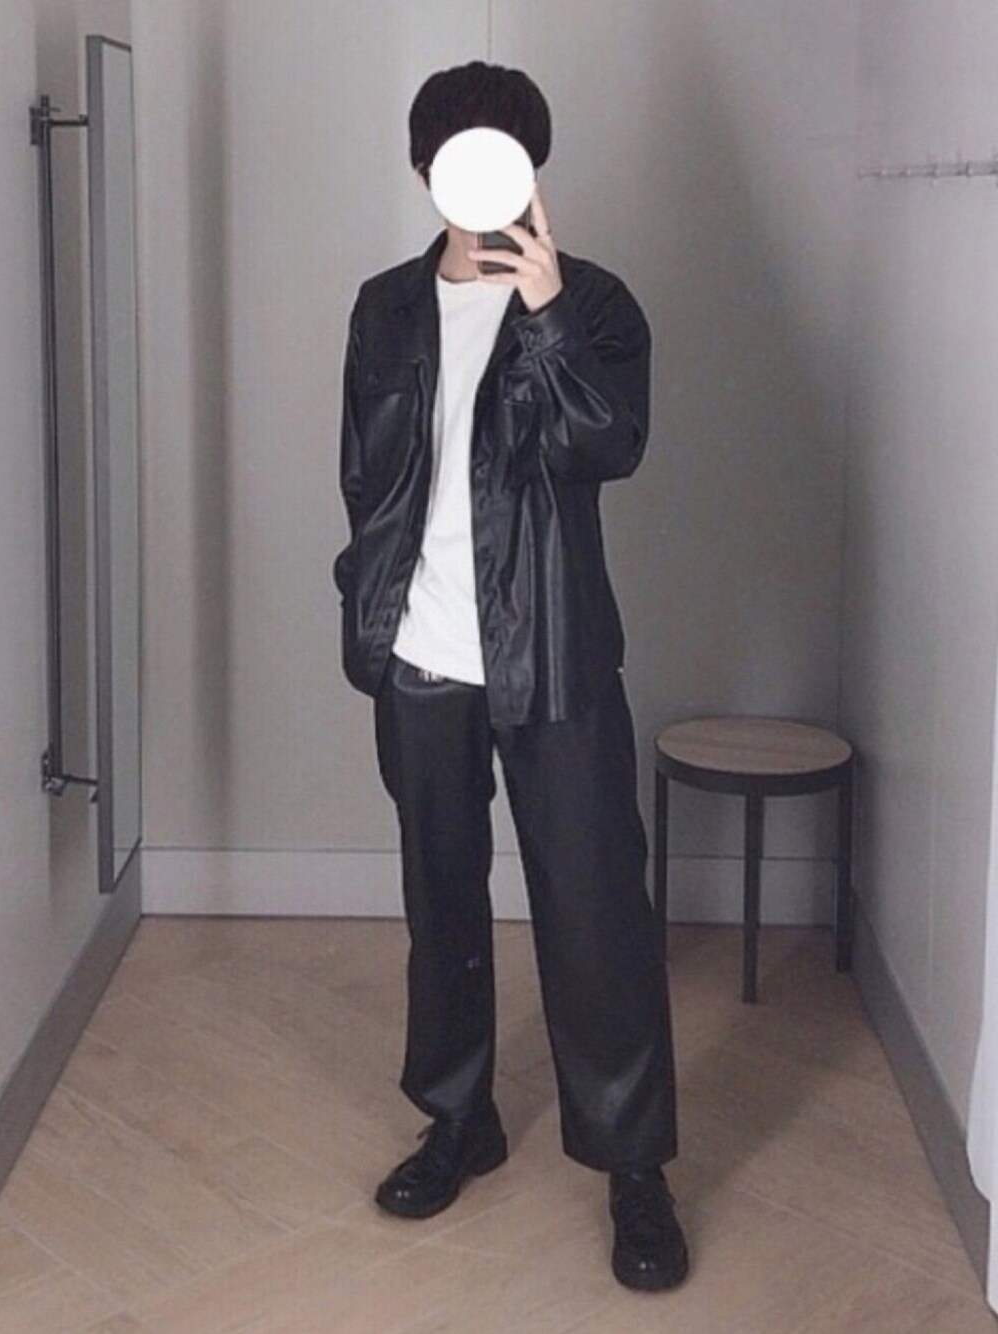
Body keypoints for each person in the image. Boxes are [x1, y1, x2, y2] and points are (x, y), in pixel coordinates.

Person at [331, 59, 688, 1292]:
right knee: (441, 901)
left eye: (504, 155)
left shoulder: (595, 303)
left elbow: (609, 444)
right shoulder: (383, 308)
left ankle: (634, 1165)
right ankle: (457, 1117)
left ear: (531, 168)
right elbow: (367, 476)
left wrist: (545, 316)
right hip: (420, 657)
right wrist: (369, 605)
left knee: (596, 912)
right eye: (457, 157)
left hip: (555, 649)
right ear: (423, 169)